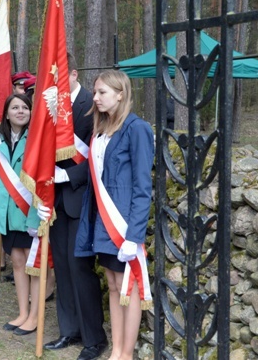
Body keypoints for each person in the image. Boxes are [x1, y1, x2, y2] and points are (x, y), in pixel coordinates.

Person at [75, 69, 154, 360]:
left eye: (101, 93)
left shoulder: (137, 128)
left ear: (120, 94)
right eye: (94, 93)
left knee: (126, 287)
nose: (95, 98)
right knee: (111, 283)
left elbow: (142, 187)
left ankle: (126, 353)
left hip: (121, 225)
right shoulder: (99, 129)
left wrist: (134, 235)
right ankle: (116, 350)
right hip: (100, 221)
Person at [42, 53, 108, 359]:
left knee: (81, 269)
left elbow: (97, 157)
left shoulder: (92, 106)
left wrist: (66, 174)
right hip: (55, 201)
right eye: (50, 80)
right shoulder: (50, 107)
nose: (55, 85)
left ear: (75, 73)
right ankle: (69, 330)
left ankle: (94, 338)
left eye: (60, 77)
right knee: (64, 270)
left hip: (81, 198)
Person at [0, 94, 41, 336]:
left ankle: (35, 316)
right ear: (6, 113)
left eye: (25, 107)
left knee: (34, 265)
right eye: (15, 107)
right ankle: (22, 312)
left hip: (30, 213)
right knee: (17, 262)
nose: (20, 111)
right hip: (8, 214)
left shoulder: (38, 139)